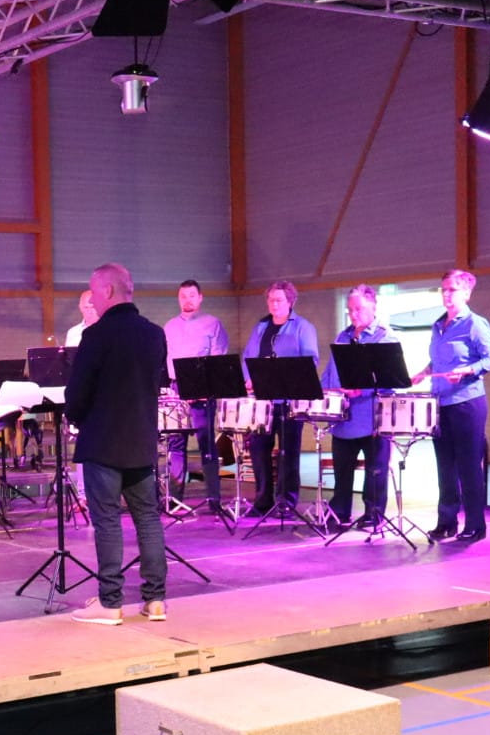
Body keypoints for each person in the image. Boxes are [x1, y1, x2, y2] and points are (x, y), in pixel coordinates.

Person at [66, 263, 169, 625]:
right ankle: (156, 601)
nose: (92, 300)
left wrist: (77, 418)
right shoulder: (155, 334)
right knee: (148, 519)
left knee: (107, 521)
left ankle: (110, 602)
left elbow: (77, 394)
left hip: (103, 443)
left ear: (107, 291)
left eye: (94, 293)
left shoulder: (96, 336)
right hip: (141, 441)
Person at [413, 269, 490, 543]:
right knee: (445, 467)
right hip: (441, 404)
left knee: (469, 466)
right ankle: (446, 522)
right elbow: (439, 361)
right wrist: (424, 372)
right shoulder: (438, 325)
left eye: (452, 290)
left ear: (466, 293)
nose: (446, 295)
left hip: (467, 403)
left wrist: (467, 371)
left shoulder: (475, 324)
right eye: (444, 289)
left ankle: (475, 525)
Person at [243, 280, 320, 515]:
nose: (274, 304)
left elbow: (311, 360)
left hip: (290, 401)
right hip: (262, 403)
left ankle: (286, 501)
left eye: (278, 300)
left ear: (290, 301)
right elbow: (248, 357)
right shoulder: (261, 327)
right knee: (259, 451)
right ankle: (262, 501)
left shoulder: (303, 327)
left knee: (289, 453)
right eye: (270, 300)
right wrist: (248, 379)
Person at [322, 284, 396, 529]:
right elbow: (330, 372)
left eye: (359, 309)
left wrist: (360, 389)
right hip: (344, 418)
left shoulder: (385, 337)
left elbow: (390, 378)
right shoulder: (342, 337)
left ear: (373, 307)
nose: (353, 314)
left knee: (375, 471)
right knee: (342, 470)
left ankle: (373, 514)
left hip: (374, 418)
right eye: (350, 309)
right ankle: (339, 511)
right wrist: (321, 391)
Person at [164, 279, 229, 515]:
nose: (187, 300)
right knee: (175, 444)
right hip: (176, 390)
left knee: (206, 443)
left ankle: (214, 499)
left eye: (192, 295)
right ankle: (174, 499)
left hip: (203, 390)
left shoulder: (213, 324)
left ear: (200, 298)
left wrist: (203, 387)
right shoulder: (169, 326)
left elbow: (218, 360)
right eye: (183, 296)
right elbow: (165, 361)